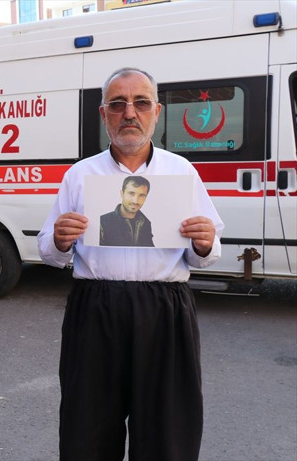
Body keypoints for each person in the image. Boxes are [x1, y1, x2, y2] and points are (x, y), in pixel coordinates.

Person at [37, 67, 223, 461]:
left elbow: (203, 256)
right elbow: (50, 253)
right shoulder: (80, 175)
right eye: (118, 104)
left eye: (141, 103)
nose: (129, 113)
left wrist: (205, 243)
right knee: (87, 431)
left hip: (165, 311)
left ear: (157, 111)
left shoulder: (181, 172)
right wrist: (59, 239)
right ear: (103, 114)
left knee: (167, 435)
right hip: (95, 310)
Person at [99, 175, 154, 247]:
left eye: (141, 195)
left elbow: (149, 250)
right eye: (131, 193)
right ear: (122, 194)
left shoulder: (146, 223)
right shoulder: (102, 222)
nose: (135, 201)